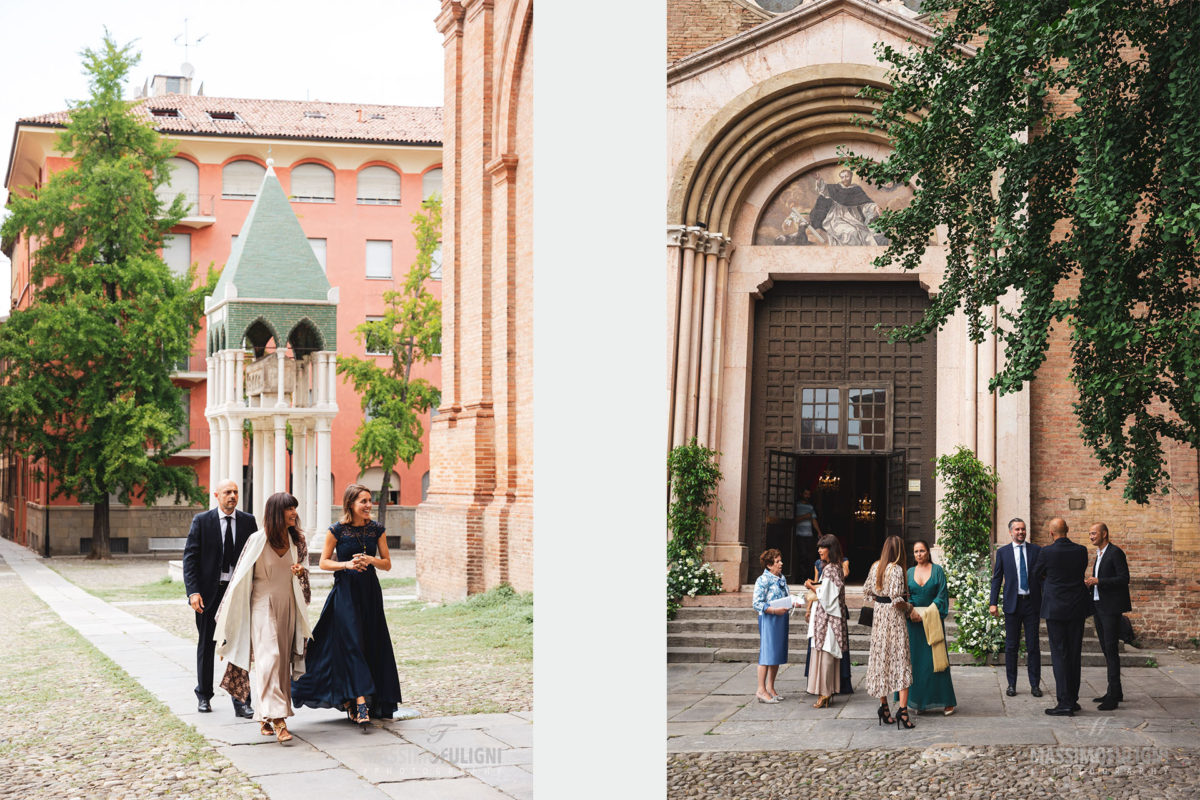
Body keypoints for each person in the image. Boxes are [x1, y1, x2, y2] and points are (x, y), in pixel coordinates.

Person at [291, 484, 403, 725]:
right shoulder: (336, 531)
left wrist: (371, 559)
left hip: (370, 593)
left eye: (369, 500)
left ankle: (359, 700)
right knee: (352, 644)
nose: (368, 505)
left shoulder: (377, 530)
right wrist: (346, 565)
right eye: (363, 501)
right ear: (350, 503)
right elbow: (322, 563)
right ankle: (360, 703)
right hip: (345, 593)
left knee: (370, 643)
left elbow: (387, 564)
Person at [213, 492, 312, 743]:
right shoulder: (257, 540)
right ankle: (278, 719)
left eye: (295, 508)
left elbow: (305, 580)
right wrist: (230, 626)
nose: (294, 513)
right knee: (270, 658)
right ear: (276, 512)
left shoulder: (297, 541)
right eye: (289, 508)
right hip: (261, 605)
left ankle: (265, 714)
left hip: (288, 605)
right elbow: (239, 581)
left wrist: (301, 572)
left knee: (281, 663)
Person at [182, 479, 256, 717]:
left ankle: (241, 700)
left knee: (239, 645)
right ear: (217, 495)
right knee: (206, 644)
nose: (232, 495)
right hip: (208, 595)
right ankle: (204, 695)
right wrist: (193, 592)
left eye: (235, 492)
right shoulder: (202, 521)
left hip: (237, 593)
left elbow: (255, 557)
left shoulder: (248, 521)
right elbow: (190, 559)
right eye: (227, 492)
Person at [1032, 517, 1090, 716]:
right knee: (1074, 653)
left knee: (1059, 654)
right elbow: (1079, 572)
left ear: (1051, 533)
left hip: (1055, 608)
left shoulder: (1046, 552)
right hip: (1076, 607)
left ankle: (1064, 702)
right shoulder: (1081, 550)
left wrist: (1050, 581)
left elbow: (1035, 574)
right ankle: (1073, 699)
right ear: (1068, 530)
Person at [988, 517, 1043, 698]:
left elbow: (1043, 577)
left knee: (1033, 646)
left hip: (1032, 604)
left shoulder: (1036, 551)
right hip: (1013, 604)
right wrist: (993, 603)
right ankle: (1011, 684)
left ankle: (1035, 685)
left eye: (1023, 529)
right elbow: (997, 578)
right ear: (1011, 532)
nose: (1021, 532)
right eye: (1017, 530)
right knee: (1011, 647)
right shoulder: (1003, 553)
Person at [863, 535, 914, 729]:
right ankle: (903, 711)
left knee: (881, 661)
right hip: (894, 620)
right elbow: (897, 600)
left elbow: (867, 592)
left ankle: (884, 708)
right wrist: (910, 609)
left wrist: (879, 602)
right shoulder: (897, 569)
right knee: (901, 661)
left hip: (879, 619)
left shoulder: (876, 566)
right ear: (899, 550)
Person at [903, 540, 957, 715]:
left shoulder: (938, 571)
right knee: (917, 663)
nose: (919, 554)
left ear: (928, 552)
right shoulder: (909, 572)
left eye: (922, 551)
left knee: (936, 662)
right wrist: (910, 610)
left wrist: (927, 613)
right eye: (916, 551)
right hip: (913, 623)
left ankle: (947, 701)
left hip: (932, 620)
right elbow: (905, 594)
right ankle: (919, 702)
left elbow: (942, 595)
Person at [1084, 522, 1131, 711]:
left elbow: (1124, 578)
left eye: (1094, 533)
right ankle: (1115, 690)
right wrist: (1092, 583)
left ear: (1104, 534)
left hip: (1110, 609)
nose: (1091, 536)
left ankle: (1113, 697)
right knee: (1106, 649)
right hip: (1099, 607)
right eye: (1090, 533)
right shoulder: (1100, 554)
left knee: (1111, 651)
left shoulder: (1115, 552)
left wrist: (1099, 581)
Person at [803, 535, 848, 708]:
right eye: (819, 548)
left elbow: (827, 595)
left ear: (831, 549)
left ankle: (825, 693)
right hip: (830, 616)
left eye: (823, 547)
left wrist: (811, 586)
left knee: (826, 653)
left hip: (828, 617)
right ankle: (827, 690)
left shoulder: (830, 569)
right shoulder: (835, 567)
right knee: (826, 653)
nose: (820, 551)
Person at [752, 548, 800, 703]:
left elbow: (786, 596)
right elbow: (757, 603)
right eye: (777, 561)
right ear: (768, 565)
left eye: (780, 560)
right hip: (769, 619)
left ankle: (771, 687)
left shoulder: (781, 578)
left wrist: (794, 602)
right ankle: (761, 689)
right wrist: (773, 610)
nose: (781, 563)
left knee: (776, 654)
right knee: (766, 654)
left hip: (781, 618)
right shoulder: (763, 580)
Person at [808, 169, 888, 246]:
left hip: (855, 218)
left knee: (865, 233)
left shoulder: (856, 189)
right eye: (842, 177)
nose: (844, 179)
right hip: (837, 218)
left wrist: (874, 207)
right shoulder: (836, 188)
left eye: (847, 176)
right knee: (851, 232)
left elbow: (865, 204)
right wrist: (818, 179)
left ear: (851, 177)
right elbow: (824, 189)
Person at [792, 488, 822, 579]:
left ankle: (808, 577)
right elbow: (793, 520)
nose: (807, 496)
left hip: (809, 535)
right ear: (802, 494)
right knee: (802, 556)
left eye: (809, 494)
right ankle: (800, 578)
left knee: (810, 557)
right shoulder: (796, 505)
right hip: (799, 535)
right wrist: (805, 516)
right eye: (806, 494)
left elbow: (813, 520)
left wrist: (819, 532)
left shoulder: (810, 507)